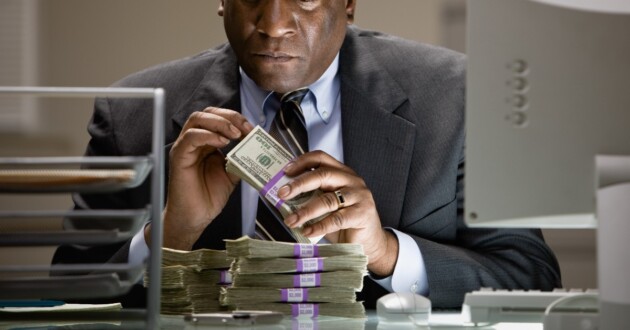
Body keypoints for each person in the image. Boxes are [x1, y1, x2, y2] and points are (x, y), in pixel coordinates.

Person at [53, 0, 561, 309]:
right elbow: (69, 293)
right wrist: (170, 235)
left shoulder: (457, 96)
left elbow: (530, 276)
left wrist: (386, 252)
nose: (273, 24)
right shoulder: (132, 112)